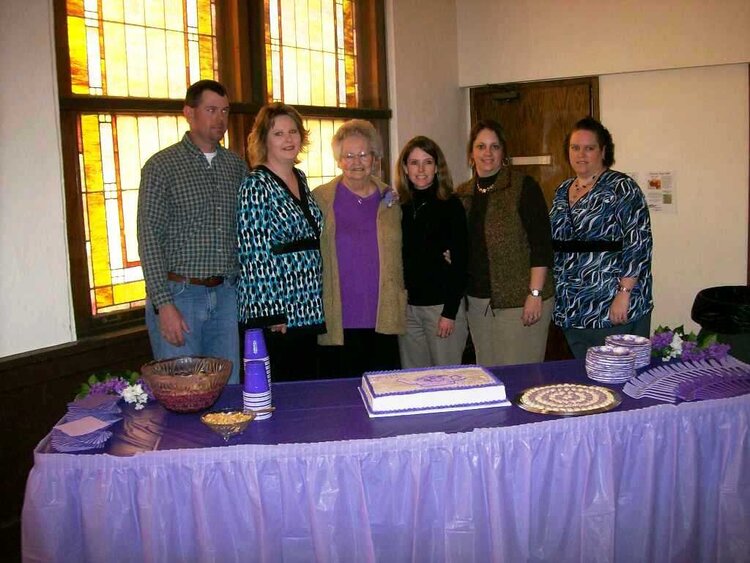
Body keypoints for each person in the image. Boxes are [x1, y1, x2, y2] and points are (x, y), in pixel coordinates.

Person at [137, 80, 248, 384]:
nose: (220, 119)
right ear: (189, 112)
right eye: (211, 110)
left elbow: (246, 232)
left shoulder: (236, 166)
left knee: (228, 389)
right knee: (183, 391)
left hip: (226, 294)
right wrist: (163, 305)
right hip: (180, 296)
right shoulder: (162, 166)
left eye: (225, 111)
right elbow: (149, 238)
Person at [550, 116, 653, 358]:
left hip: (611, 303)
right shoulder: (562, 190)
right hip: (572, 306)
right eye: (575, 147)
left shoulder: (622, 187)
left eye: (589, 148)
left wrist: (624, 293)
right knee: (587, 380)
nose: (581, 154)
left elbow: (638, 243)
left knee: (618, 375)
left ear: (603, 151)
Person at [236, 103, 324, 381]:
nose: (288, 139)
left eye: (293, 131)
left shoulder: (299, 177)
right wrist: (271, 314)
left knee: (304, 392)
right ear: (264, 139)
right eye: (278, 133)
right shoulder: (256, 184)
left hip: (306, 305)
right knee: (280, 393)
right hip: (277, 312)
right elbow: (253, 253)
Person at [456, 119, 554, 366]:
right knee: (489, 377)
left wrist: (534, 293)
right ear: (471, 154)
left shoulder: (523, 187)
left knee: (520, 377)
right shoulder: (463, 194)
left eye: (494, 146)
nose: (487, 153)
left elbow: (541, 245)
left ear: (503, 153)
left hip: (519, 301)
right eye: (480, 147)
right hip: (478, 303)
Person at [313, 120, 405, 378]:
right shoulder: (321, 199)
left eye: (363, 154)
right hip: (339, 317)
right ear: (339, 160)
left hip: (382, 316)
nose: (356, 162)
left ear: (375, 158)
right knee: (340, 399)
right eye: (348, 156)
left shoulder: (390, 198)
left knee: (384, 393)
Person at [396, 136, 468, 368]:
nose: (421, 169)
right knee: (414, 381)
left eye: (427, 162)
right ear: (405, 168)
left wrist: (450, 313)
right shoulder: (399, 207)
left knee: (447, 381)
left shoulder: (451, 205)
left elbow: (461, 263)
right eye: (414, 163)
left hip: (441, 308)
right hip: (408, 310)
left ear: (437, 167)